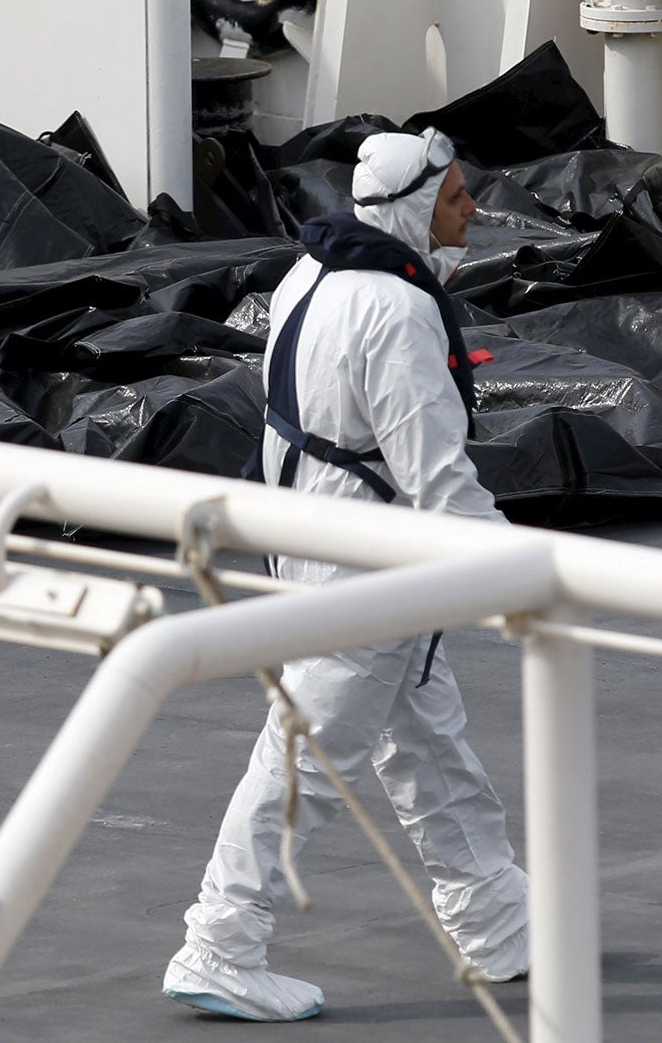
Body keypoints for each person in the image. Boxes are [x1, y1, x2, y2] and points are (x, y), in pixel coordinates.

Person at [162, 127, 532, 1022]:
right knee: (307, 759)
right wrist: (530, 574)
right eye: (455, 199)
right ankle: (219, 945)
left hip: (315, 542)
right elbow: (436, 477)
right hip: (367, 563)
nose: (472, 209)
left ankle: (498, 924)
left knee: (423, 737)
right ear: (412, 209)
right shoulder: (396, 310)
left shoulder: (310, 275)